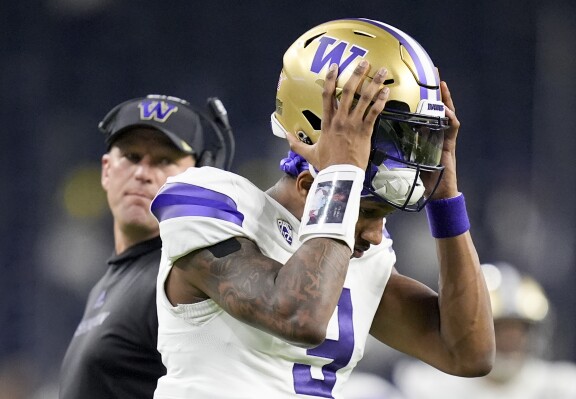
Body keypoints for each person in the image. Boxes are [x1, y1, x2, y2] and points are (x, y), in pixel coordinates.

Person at [150, 18, 495, 398]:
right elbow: (298, 315)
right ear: (309, 185)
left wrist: (446, 199)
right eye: (368, 212)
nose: (377, 234)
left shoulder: (364, 257)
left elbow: (468, 354)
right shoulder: (209, 200)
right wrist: (342, 173)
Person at [59, 94, 234, 398]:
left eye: (164, 160)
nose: (142, 173)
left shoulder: (184, 276)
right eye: (131, 157)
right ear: (106, 170)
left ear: (200, 176)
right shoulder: (109, 283)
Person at [394, 262, 576, 399]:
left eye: (518, 329)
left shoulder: (563, 387)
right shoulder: (429, 386)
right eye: (498, 329)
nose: (510, 339)